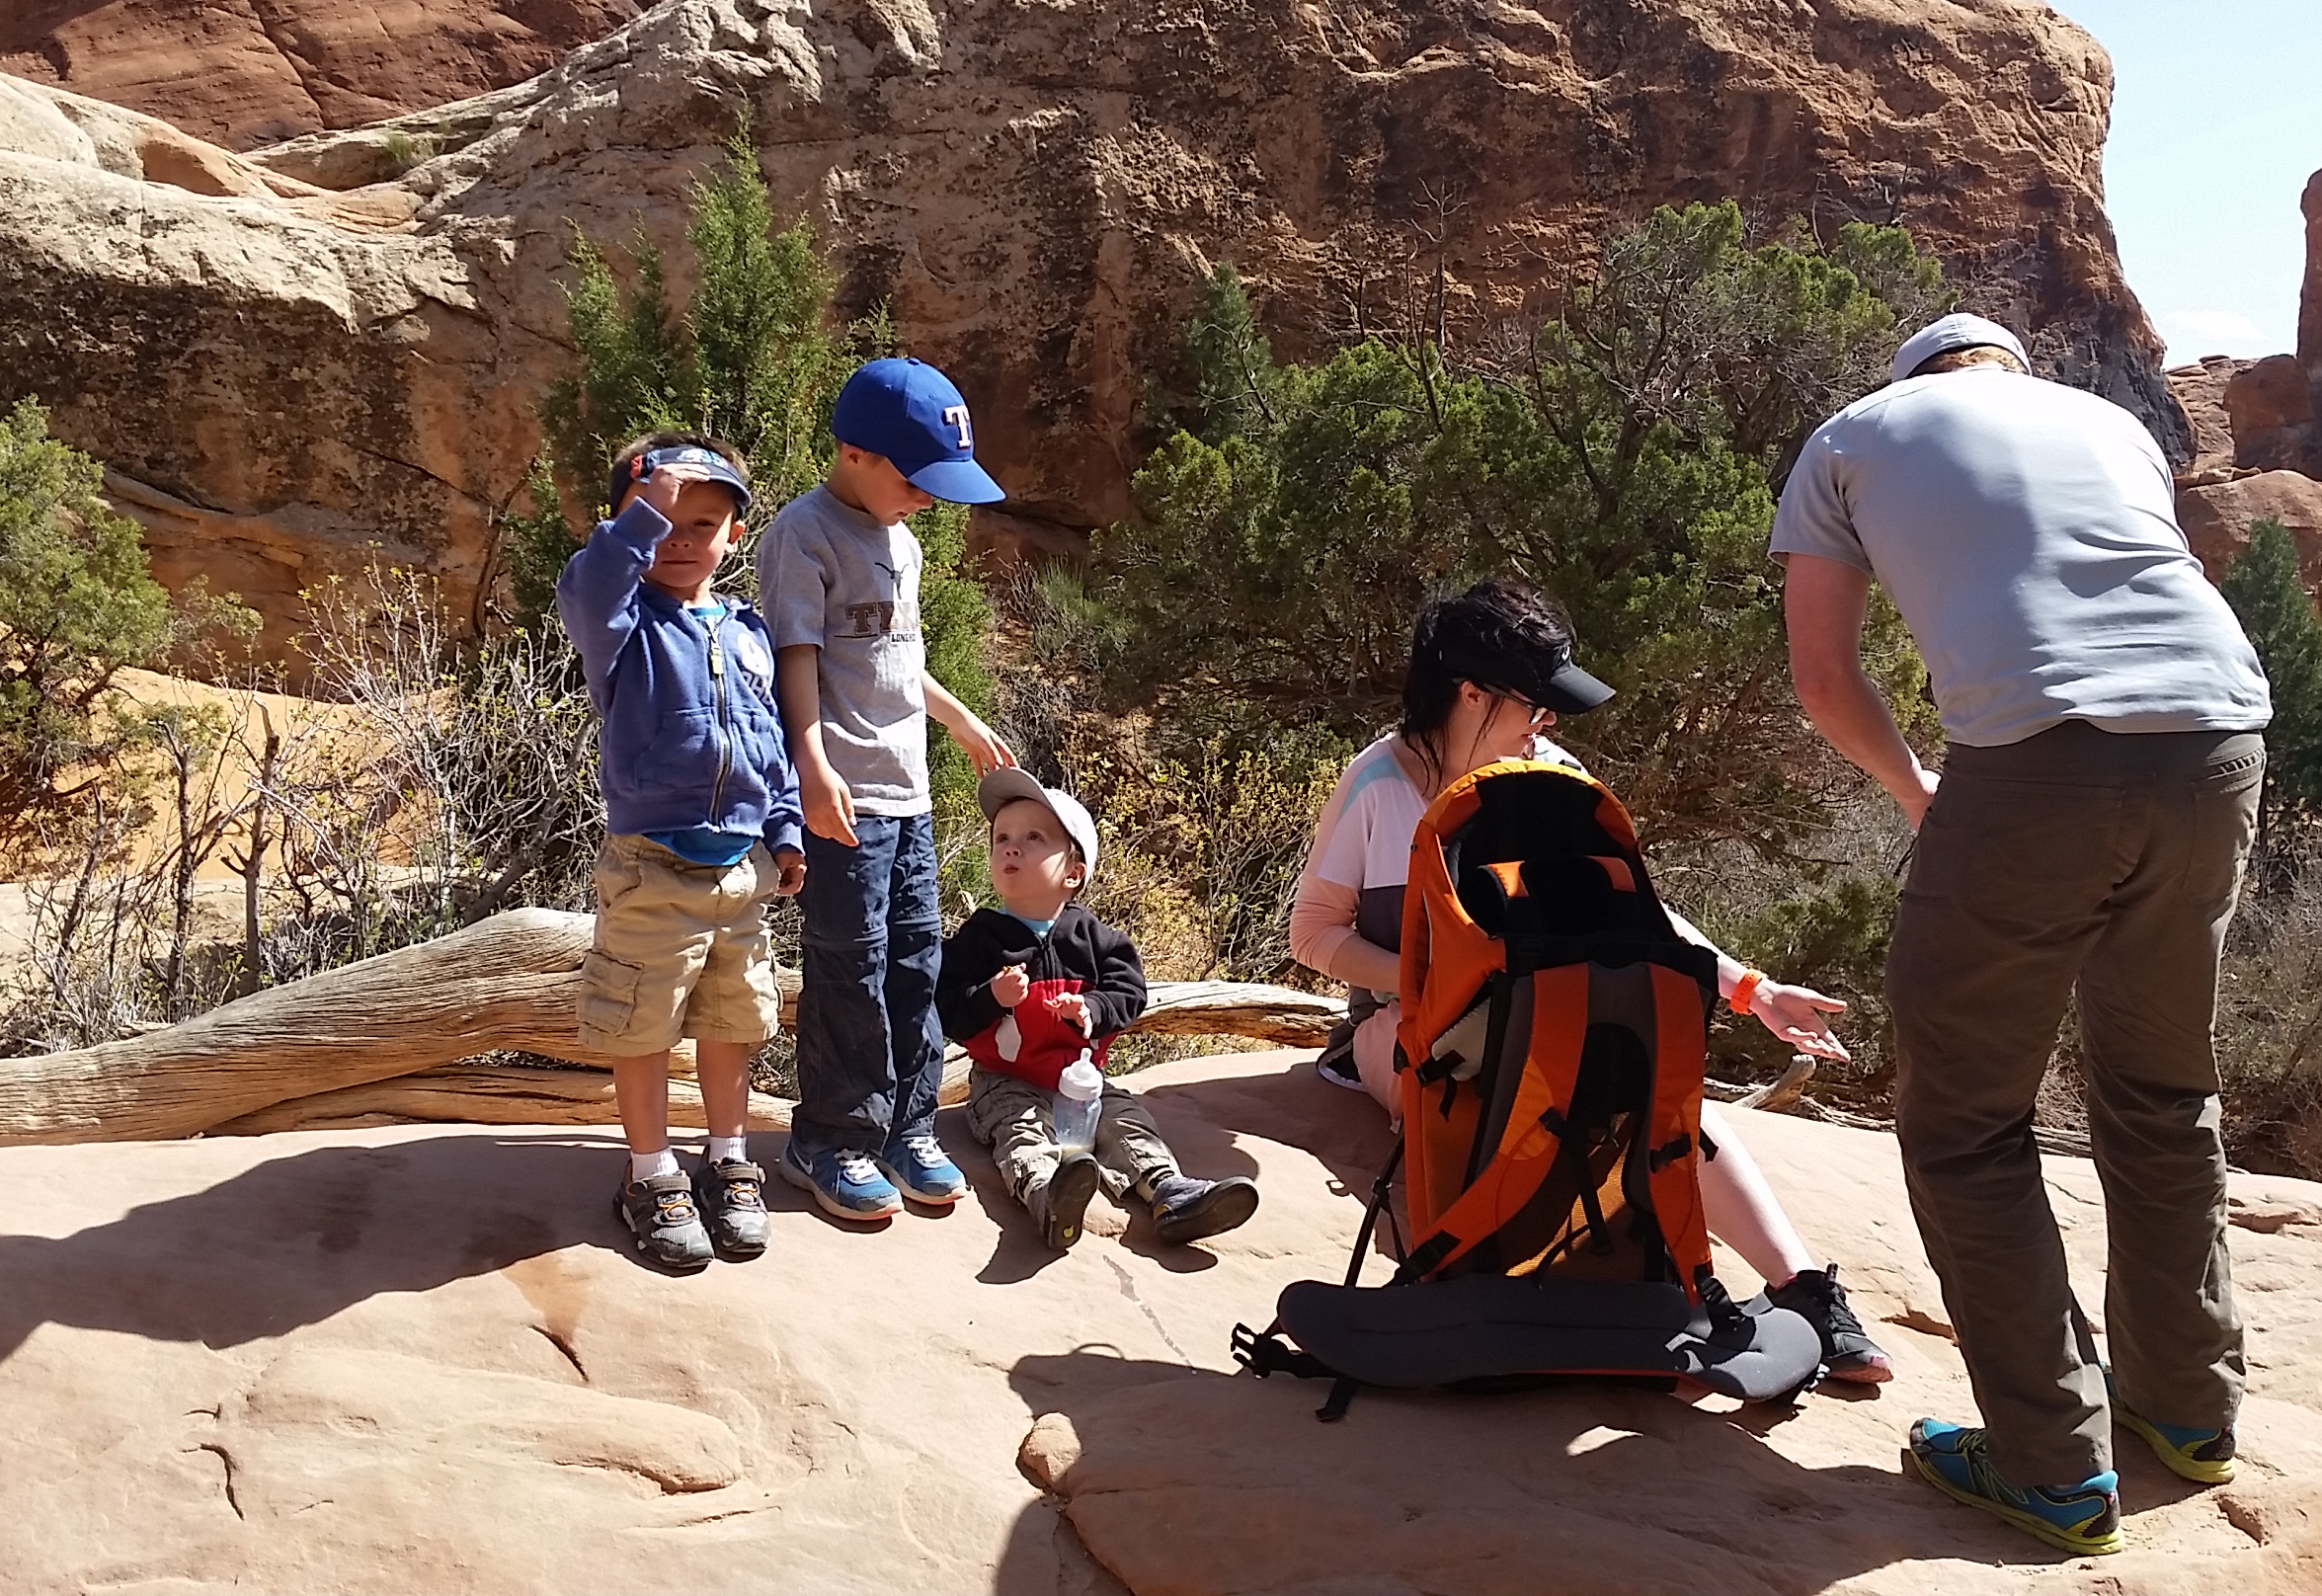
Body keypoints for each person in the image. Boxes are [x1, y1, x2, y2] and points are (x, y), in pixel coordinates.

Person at [1773, 312, 2271, 1556]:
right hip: (2220, 738)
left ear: (1913, 375)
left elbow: (1825, 682)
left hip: (2038, 758)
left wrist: (1919, 794)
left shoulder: (1854, 435)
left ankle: (2053, 1465)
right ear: (2012, 372)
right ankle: (2189, 1414)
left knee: (1963, 1120)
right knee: (2162, 1088)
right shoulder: (2113, 426)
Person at [1287, 578, 1892, 1384]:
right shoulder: (1377, 783)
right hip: (1403, 1021)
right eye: (1536, 703)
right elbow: (1314, 934)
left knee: (1658, 1095)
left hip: (1549, 1016)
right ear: (1471, 693)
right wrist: (1440, 980)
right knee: (1477, 1097)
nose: (1549, 723)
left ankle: (1804, 1292)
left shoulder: (1553, 778)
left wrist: (1752, 990)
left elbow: (1633, 917)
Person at [759, 358, 1016, 1223]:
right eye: (916, 479)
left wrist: (957, 717)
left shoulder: (899, 538)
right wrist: (812, 764)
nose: (929, 500)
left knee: (914, 959)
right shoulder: (806, 534)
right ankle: (830, 1138)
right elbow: (798, 656)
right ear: (854, 453)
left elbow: (897, 656)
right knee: (848, 967)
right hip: (847, 796)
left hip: (909, 794)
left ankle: (909, 1126)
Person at [554, 435, 804, 1273]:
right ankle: (650, 1171)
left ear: (734, 534)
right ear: (626, 520)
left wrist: (786, 829)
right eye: (662, 519)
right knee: (644, 1024)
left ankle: (727, 1155)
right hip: (653, 864)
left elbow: (768, 745)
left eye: (704, 522)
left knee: (735, 1020)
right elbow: (591, 589)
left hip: (743, 869)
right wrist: (642, 512)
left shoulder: (746, 631)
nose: (682, 538)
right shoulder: (622, 622)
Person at [938, 767, 1261, 1250]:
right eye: (1001, 838)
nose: (1011, 847)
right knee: (1019, 1130)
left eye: (1033, 837)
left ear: (1073, 872)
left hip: (1081, 1076)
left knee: (1125, 1119)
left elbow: (1129, 992)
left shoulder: (1095, 938)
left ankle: (1171, 1193)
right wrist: (990, 998)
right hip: (1005, 1079)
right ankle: (1050, 1198)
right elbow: (948, 1006)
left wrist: (1093, 1008)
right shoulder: (979, 938)